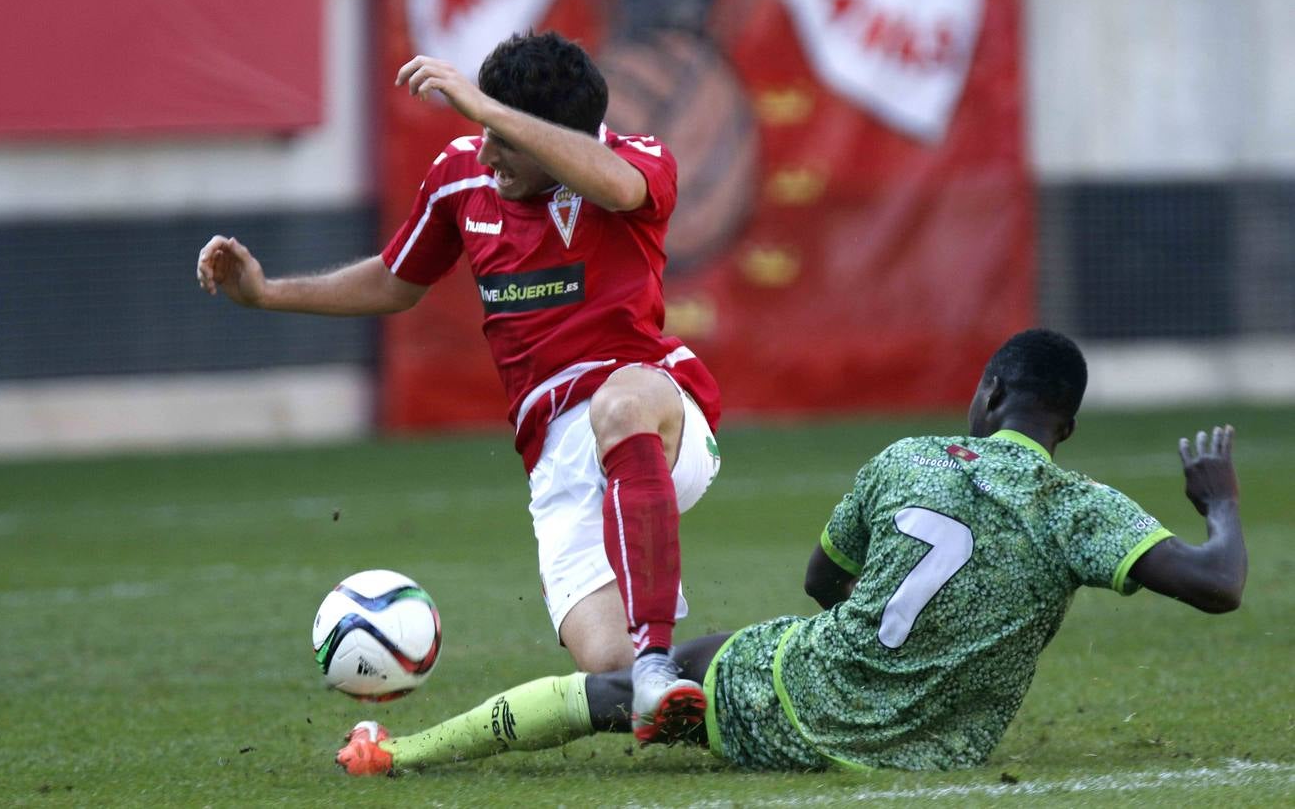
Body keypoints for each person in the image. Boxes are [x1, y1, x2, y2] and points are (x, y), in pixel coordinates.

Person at [334, 328, 1247, 776]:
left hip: (804, 702)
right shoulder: (1084, 509)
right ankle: (699, 703)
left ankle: (400, 754)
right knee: (705, 674)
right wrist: (1221, 506)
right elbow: (1218, 585)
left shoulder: (909, 458)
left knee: (645, 678)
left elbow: (821, 583)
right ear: (1068, 428)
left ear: (990, 391)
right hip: (939, 751)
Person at [196, 31, 723, 741]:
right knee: (610, 672)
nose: (484, 150)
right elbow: (393, 280)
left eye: (500, 136)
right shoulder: (460, 178)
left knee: (620, 405)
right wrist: (265, 294)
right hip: (558, 465)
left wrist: (489, 107)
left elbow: (619, 186)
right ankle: (740, 669)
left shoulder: (639, 162)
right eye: (480, 130)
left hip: (657, 415)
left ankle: (658, 661)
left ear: (546, 136)